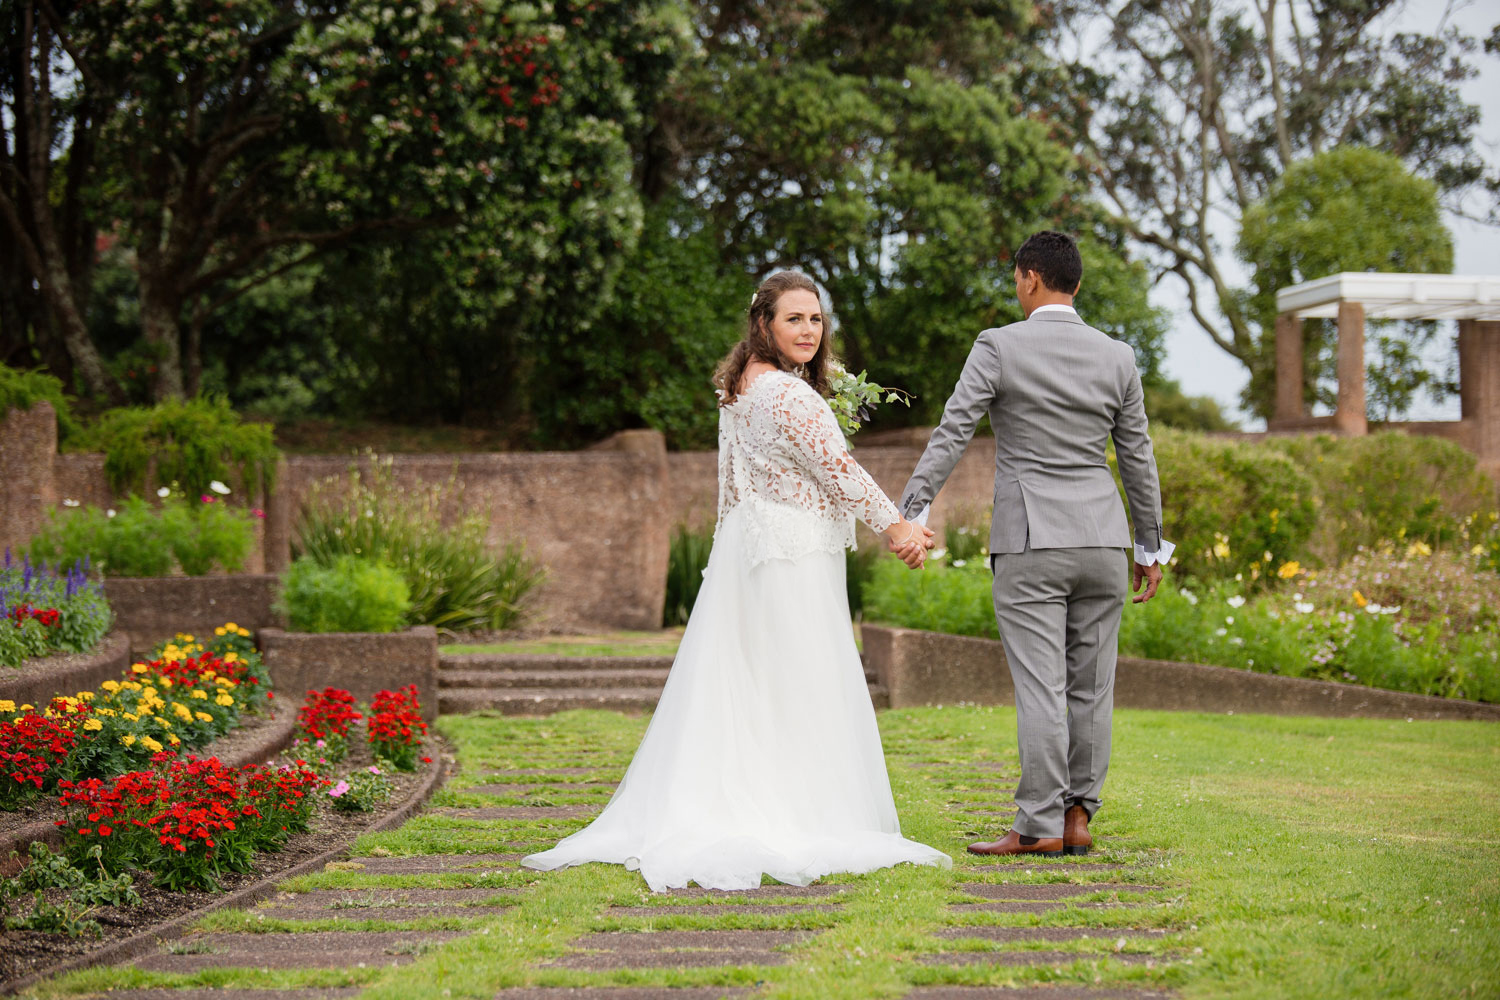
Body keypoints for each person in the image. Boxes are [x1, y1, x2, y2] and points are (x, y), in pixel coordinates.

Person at [523, 270, 950, 891]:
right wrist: (897, 527)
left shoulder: (739, 390)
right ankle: (799, 812)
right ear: (763, 324)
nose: (808, 330)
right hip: (792, 554)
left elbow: (735, 488)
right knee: (801, 679)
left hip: (753, 551)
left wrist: (728, 555)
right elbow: (838, 468)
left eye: (815, 319)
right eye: (793, 319)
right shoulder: (789, 397)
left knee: (760, 682)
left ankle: (754, 795)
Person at [896, 230, 1171, 858]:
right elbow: (1138, 459)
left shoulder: (998, 346)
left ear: (1028, 278)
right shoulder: (1118, 357)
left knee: (1042, 688)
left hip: (1030, 542)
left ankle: (1039, 825)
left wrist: (910, 510)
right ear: (1076, 283)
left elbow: (953, 430)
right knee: (1092, 688)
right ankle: (1078, 819)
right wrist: (1150, 547)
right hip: (1104, 541)